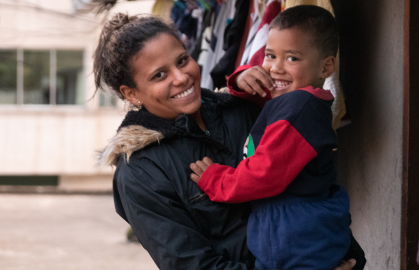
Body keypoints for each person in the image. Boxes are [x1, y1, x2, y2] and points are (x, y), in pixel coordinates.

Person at [93, 12, 364, 270]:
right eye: (159, 75)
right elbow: (190, 264)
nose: (181, 77)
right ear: (131, 94)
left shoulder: (243, 109)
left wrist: (346, 257)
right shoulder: (141, 171)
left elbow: (313, 184)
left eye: (182, 60)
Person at [189, 5, 355, 270]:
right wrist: (241, 77)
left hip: (296, 232)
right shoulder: (294, 100)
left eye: (292, 58)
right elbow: (259, 96)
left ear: (326, 67)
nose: (276, 68)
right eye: (269, 55)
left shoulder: (300, 108)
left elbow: (263, 173)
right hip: (290, 227)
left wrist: (216, 180)